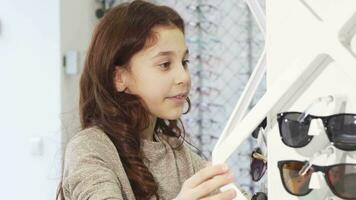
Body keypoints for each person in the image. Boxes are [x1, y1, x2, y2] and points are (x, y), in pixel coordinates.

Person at [57, 1, 246, 199]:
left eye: (184, 62)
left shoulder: (178, 154)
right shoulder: (89, 148)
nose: (184, 77)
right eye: (165, 64)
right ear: (119, 78)